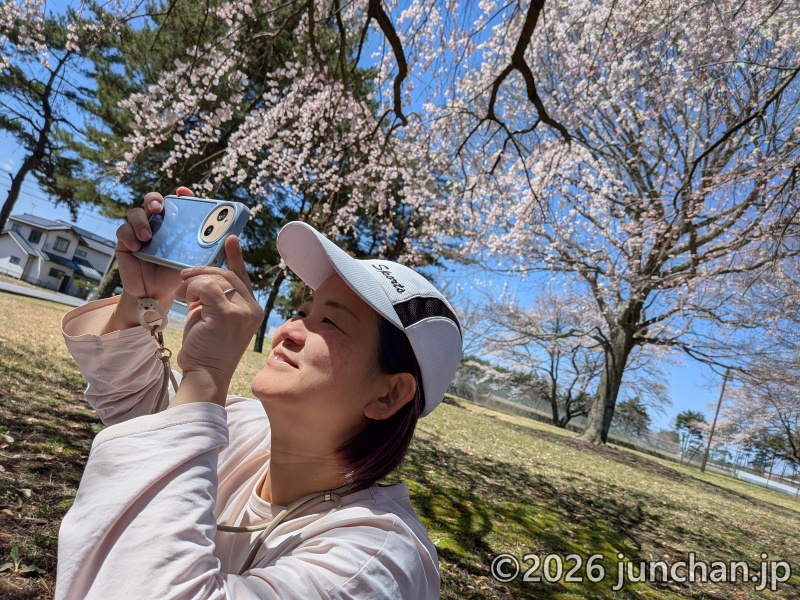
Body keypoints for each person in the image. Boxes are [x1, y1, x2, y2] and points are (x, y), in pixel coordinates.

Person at [55, 188, 463, 599]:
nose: (288, 329)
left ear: (389, 394)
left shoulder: (376, 561)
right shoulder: (243, 426)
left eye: (331, 323)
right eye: (304, 311)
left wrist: (207, 375)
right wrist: (146, 296)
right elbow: (138, 412)